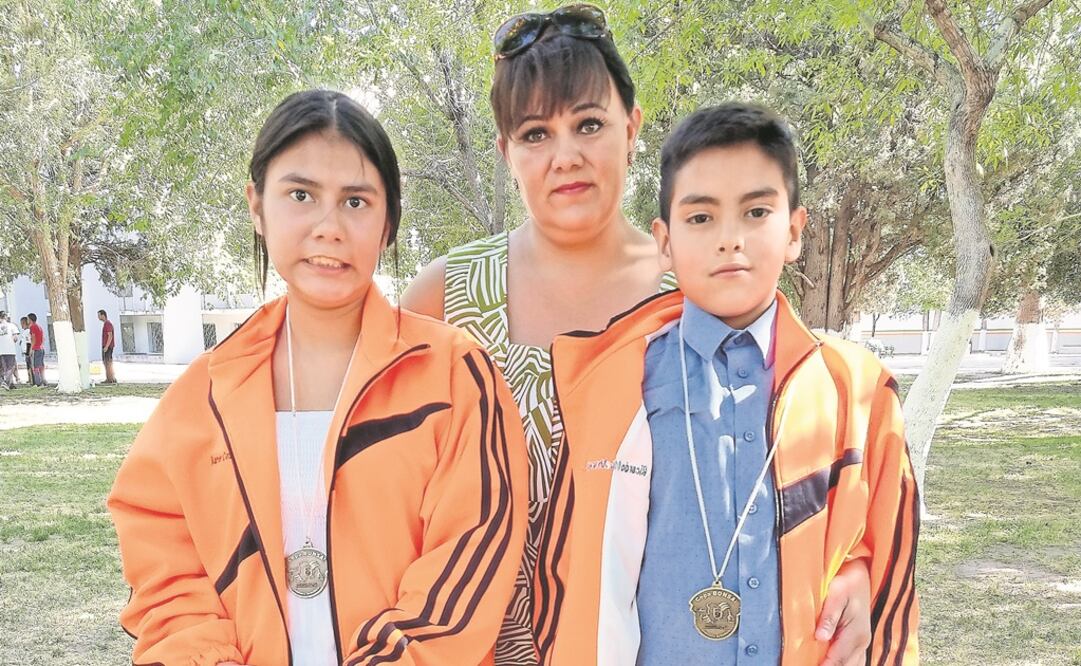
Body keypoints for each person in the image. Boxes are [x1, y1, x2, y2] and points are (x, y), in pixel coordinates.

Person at [402, 5, 873, 665]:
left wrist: (854, 568)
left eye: (588, 124)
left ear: (631, 128)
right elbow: (388, 499)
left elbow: (784, 470)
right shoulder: (442, 299)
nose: (565, 156)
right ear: (506, 152)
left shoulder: (696, 294)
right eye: (535, 134)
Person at [108, 89, 529, 666]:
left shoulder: (455, 378)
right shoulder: (204, 395)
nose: (329, 227)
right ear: (257, 206)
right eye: (301, 195)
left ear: (387, 224)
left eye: (356, 202)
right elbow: (165, 571)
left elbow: (464, 580)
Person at [534, 104, 920, 664]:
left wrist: (858, 564)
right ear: (664, 242)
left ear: (793, 231)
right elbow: (572, 570)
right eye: (700, 218)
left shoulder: (856, 393)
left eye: (756, 212)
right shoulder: (610, 387)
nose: (729, 239)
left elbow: (881, 539)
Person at [0, 311, 19, 389]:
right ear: (6, 317)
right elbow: (15, 338)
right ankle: (6, 382)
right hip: (10, 350)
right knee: (10, 367)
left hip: (1, 350)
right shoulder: (12, 326)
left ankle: (7, 383)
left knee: (2, 368)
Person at [98, 309, 117, 384]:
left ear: (103, 315)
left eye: (99, 315)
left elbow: (110, 336)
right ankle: (110, 378)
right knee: (106, 362)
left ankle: (110, 379)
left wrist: (106, 346)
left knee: (107, 362)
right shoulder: (106, 324)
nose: (98, 317)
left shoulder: (107, 324)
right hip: (106, 346)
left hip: (108, 347)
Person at [27, 312, 45, 386]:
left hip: (36, 348)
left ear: (30, 320)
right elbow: (43, 338)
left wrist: (31, 349)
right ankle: (43, 380)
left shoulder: (32, 327)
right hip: (41, 348)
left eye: (28, 319)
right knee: (41, 365)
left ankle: (38, 383)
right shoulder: (39, 326)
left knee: (35, 367)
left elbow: (33, 338)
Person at [18, 316, 32, 385]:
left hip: (28, 351)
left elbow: (29, 342)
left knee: (29, 366)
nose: (21, 325)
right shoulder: (25, 332)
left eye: (22, 324)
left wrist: (28, 352)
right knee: (28, 365)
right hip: (25, 351)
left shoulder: (27, 331)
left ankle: (31, 379)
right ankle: (29, 379)